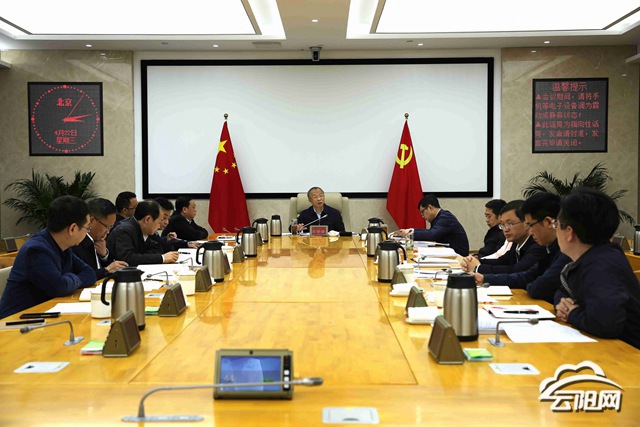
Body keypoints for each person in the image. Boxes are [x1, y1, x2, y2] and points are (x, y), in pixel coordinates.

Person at [554, 188, 640, 349]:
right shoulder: (593, 257)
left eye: (556, 224)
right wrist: (565, 305)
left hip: (628, 353)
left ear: (569, 232)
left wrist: (572, 313)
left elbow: (606, 324)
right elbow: (562, 291)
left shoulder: (602, 265)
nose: (555, 231)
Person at [0, 196, 97, 318]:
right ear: (72, 229)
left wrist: (69, 279)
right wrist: (74, 278)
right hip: (15, 321)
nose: (87, 232)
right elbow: (59, 287)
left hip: (42, 315)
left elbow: (90, 274)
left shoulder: (64, 246)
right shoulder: (36, 250)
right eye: (87, 228)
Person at [473, 192, 572, 304]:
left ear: (548, 222)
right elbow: (527, 276)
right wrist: (484, 278)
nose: (530, 231)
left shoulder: (564, 251)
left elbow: (538, 287)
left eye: (530, 225)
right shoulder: (548, 247)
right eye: (503, 225)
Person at [461, 200, 545, 274]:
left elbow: (516, 270)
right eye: (502, 224)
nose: (505, 229)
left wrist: (478, 268)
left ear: (526, 223)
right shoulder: (516, 243)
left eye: (510, 224)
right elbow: (502, 261)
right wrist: (476, 261)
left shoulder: (537, 245)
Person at [107, 200, 179, 266]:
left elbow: (157, 249)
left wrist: (142, 257)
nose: (159, 226)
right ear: (147, 219)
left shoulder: (144, 228)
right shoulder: (124, 230)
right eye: (158, 222)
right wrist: (162, 258)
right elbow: (128, 259)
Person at [72, 198, 128, 280]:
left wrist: (104, 255)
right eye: (107, 227)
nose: (108, 231)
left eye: (110, 227)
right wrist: (106, 270)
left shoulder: (99, 240)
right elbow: (81, 276)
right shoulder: (76, 242)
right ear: (91, 220)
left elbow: (112, 267)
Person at [398, 194, 469, 256]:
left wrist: (410, 233)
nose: (422, 216)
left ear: (430, 208)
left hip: (459, 256)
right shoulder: (438, 217)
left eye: (422, 212)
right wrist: (411, 230)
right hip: (448, 252)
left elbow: (432, 234)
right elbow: (430, 232)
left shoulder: (445, 217)